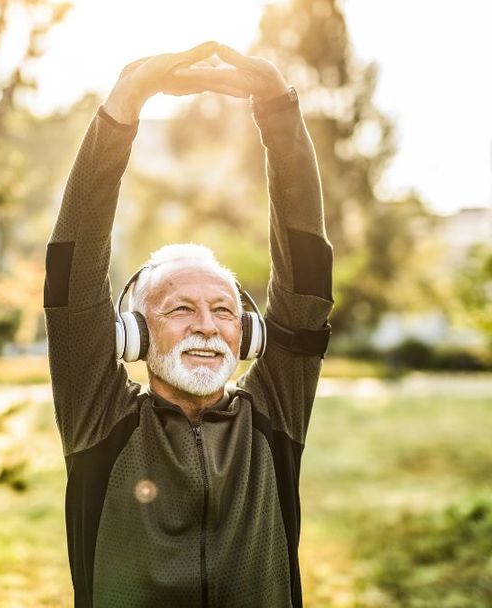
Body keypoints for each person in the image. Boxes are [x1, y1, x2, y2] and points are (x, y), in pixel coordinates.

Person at [43, 40, 334, 608]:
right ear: (134, 333)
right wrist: (121, 111)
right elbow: (73, 268)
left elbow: (307, 270)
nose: (208, 326)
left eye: (225, 310)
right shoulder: (99, 418)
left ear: (246, 334)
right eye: (180, 308)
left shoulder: (274, 414)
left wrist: (278, 112)